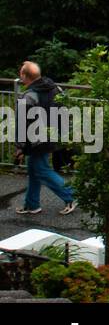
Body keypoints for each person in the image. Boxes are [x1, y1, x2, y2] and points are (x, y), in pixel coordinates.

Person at [13, 61, 75, 216]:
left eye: (21, 73)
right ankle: (32, 205)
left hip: (36, 140)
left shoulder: (28, 96)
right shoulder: (55, 88)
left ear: (24, 76)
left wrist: (20, 146)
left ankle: (71, 195)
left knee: (42, 170)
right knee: (34, 170)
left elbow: (22, 124)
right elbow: (65, 110)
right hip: (52, 135)